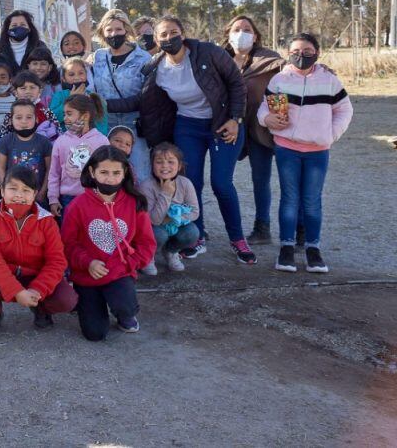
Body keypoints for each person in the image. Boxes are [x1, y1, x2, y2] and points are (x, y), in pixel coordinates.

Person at [139, 15, 253, 263]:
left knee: (222, 183)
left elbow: (236, 83)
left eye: (173, 31)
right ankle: (197, 236)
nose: (169, 38)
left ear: (183, 32)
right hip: (187, 126)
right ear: (157, 41)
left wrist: (236, 118)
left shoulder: (208, 52)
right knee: (191, 183)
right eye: (163, 35)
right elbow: (150, 105)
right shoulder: (155, 68)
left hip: (222, 123)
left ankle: (237, 239)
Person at [258, 33, 353, 273]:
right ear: (288, 53)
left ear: (317, 53)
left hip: (318, 152)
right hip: (287, 148)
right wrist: (268, 119)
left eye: (308, 51)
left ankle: (313, 249)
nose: (301, 56)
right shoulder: (279, 79)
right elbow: (264, 109)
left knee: (312, 201)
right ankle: (286, 248)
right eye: (296, 52)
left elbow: (344, 109)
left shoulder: (329, 80)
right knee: (289, 199)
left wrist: (330, 135)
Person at [61, 146, 155, 341]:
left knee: (124, 305)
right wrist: (88, 263)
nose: (110, 178)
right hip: (87, 275)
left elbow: (146, 245)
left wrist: (126, 264)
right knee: (95, 334)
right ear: (92, 172)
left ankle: (124, 313)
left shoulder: (135, 203)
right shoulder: (76, 207)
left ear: (125, 173)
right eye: (104, 172)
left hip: (120, 272)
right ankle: (91, 303)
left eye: (116, 173)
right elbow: (68, 245)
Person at [0, 165, 78, 338]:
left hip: (35, 275)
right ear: (2, 190)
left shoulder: (47, 221)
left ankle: (40, 308)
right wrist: (16, 291)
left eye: (26, 190)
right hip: (5, 273)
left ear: (35, 194)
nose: (19, 195)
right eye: (13, 188)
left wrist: (38, 290)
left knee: (67, 299)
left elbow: (57, 261)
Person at [222, 15, 287, 245]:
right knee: (222, 180)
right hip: (230, 128)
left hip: (261, 128)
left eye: (247, 29)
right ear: (228, 34)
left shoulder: (271, 61)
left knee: (261, 179)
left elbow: (281, 89)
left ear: (256, 35)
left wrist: (279, 117)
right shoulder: (220, 60)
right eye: (237, 29)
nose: (242, 33)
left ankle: (262, 227)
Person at [91, 9, 152, 182]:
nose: (114, 34)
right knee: (106, 174)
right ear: (103, 32)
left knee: (138, 175)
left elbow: (145, 96)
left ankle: (139, 209)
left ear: (126, 30)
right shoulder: (98, 57)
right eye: (109, 30)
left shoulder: (143, 58)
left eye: (118, 29)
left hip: (134, 123)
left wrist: (106, 104)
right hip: (105, 122)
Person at [139, 142, 200, 275]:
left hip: (175, 224)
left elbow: (195, 212)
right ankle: (149, 256)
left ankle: (171, 251)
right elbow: (154, 220)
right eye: (159, 162)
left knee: (192, 233)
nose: (165, 166)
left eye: (171, 162)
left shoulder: (185, 183)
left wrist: (173, 218)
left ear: (179, 166)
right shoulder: (146, 186)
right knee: (159, 234)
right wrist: (166, 193)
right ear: (152, 165)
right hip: (154, 228)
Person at [48, 94, 109, 217]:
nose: (65, 118)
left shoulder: (102, 141)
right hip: (67, 199)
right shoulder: (61, 141)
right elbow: (54, 173)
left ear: (85, 116)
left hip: (94, 198)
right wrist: (53, 198)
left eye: (69, 114)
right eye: (64, 114)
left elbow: (107, 171)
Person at [0, 100, 53, 204]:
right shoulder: (5, 141)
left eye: (29, 117)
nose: (24, 121)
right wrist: (5, 189)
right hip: (12, 197)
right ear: (10, 120)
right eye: (18, 117)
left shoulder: (44, 142)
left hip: (37, 196)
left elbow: (50, 169)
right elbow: (0, 168)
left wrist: (43, 192)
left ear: (37, 119)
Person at [50, 57, 109, 134]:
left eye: (81, 73)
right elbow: (52, 119)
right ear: (63, 79)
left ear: (86, 75)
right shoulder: (59, 96)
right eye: (71, 74)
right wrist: (70, 100)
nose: (77, 77)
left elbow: (102, 127)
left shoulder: (96, 98)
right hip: (65, 142)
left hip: (90, 143)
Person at [2, 71, 60, 142]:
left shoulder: (46, 111)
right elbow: (4, 137)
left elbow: (57, 132)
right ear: (15, 92)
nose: (28, 91)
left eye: (32, 87)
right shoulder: (11, 114)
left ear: (40, 91)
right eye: (23, 88)